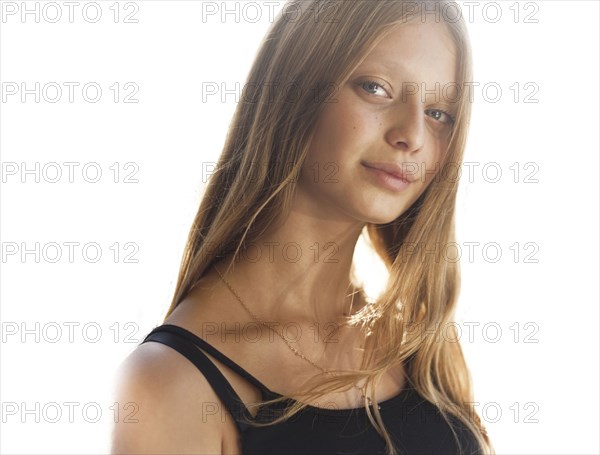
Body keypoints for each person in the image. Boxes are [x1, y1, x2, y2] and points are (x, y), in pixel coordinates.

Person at [111, 1, 494, 454]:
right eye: (376, 88)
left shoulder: (414, 342)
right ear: (296, 90)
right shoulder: (172, 384)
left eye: (438, 113)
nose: (411, 134)